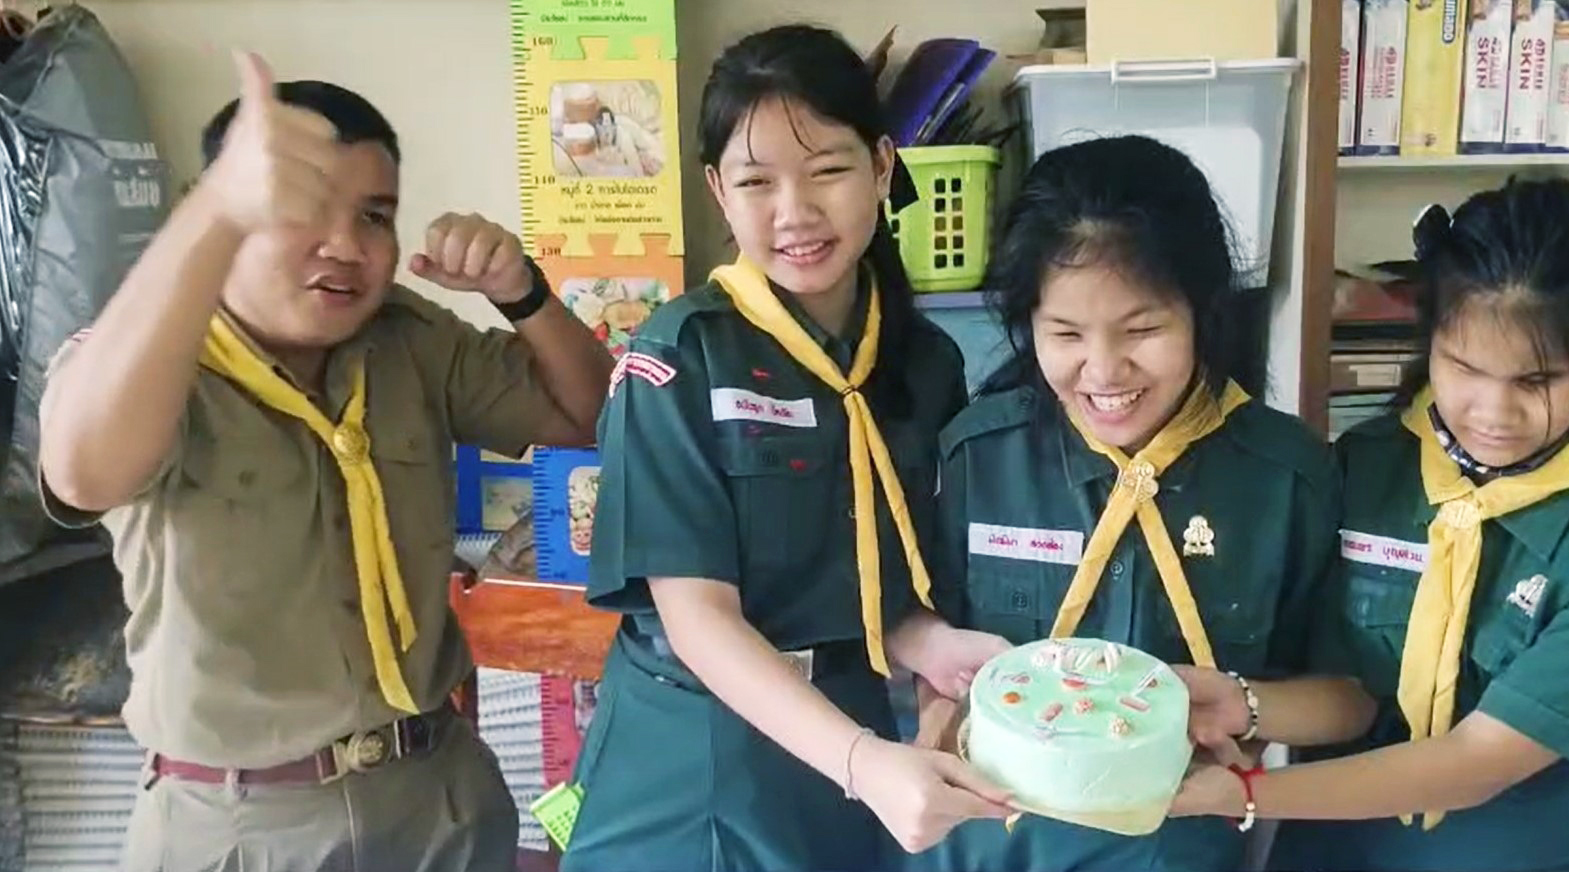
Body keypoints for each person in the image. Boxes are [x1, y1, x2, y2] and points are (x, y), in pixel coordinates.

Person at [36, 51, 614, 872]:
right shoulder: (151, 358)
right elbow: (83, 475)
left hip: (437, 796)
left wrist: (523, 293)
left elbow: (593, 418)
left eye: (375, 216)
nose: (345, 245)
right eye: (299, 209)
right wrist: (211, 214)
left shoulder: (411, 341)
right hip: (240, 825)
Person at [559, 24, 1014, 872]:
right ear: (717, 190)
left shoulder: (924, 363)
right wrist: (862, 764)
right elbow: (697, 618)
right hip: (696, 752)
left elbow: (876, 571)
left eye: (828, 170)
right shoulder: (681, 358)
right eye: (756, 181)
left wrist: (929, 644)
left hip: (845, 729)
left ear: (882, 167)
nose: (794, 213)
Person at [1169, 176, 1569, 872]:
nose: (1493, 413)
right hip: (1338, 853)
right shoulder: (1363, 467)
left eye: (1536, 382)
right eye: (1463, 367)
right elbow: (1349, 694)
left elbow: (1480, 759)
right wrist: (1244, 705)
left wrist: (1244, 794)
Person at [911, 134, 1342, 872]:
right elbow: (934, 642)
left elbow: (1343, 694)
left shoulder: (1287, 477)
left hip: (1175, 846)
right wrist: (933, 732)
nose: (1104, 371)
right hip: (986, 844)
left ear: (1203, 312)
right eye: (1065, 333)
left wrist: (1244, 704)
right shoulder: (978, 455)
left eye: (1142, 330)